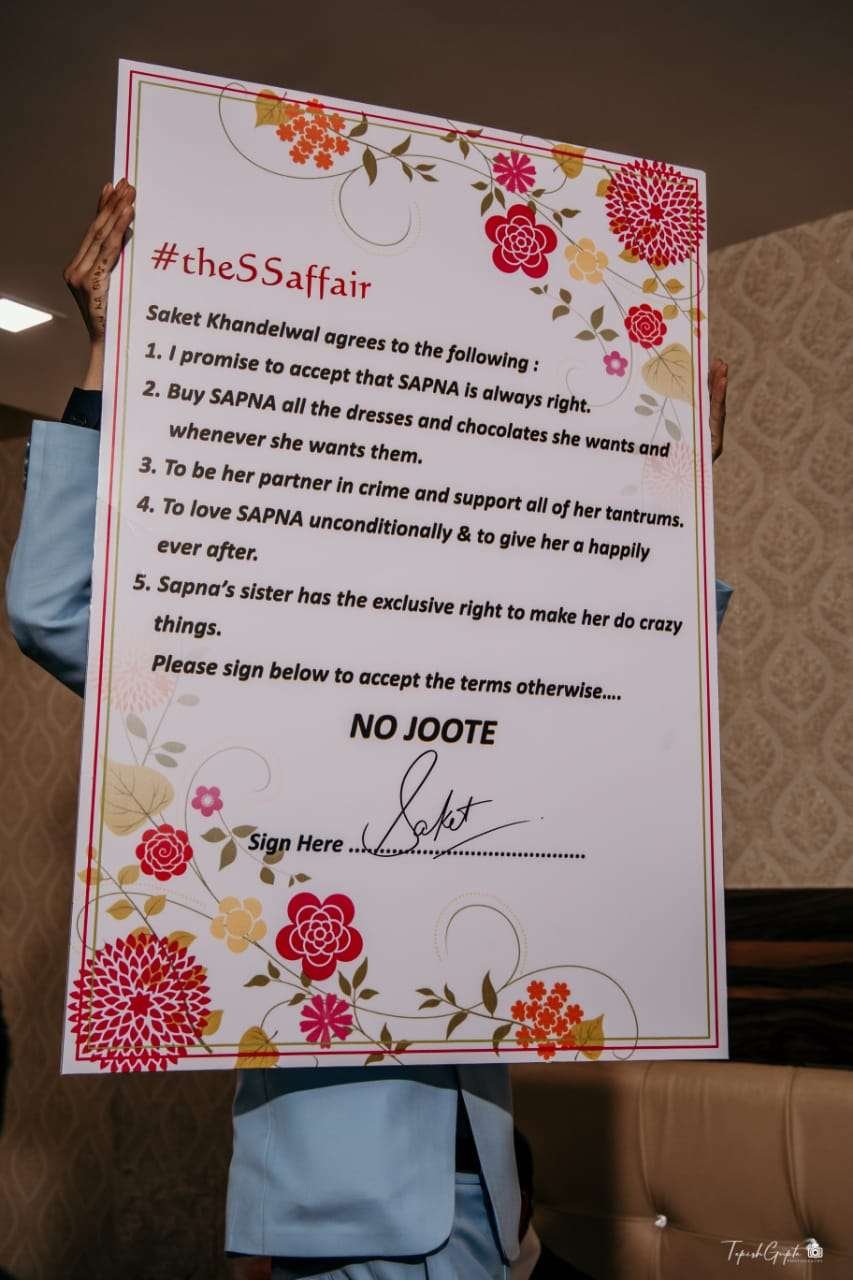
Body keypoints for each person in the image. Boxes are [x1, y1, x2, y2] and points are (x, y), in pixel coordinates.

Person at [5, 181, 730, 1280]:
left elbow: (626, 681)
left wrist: (676, 498)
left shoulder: (480, 674)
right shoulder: (252, 674)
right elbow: (55, 607)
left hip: (501, 1218)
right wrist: (110, 358)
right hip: (342, 1223)